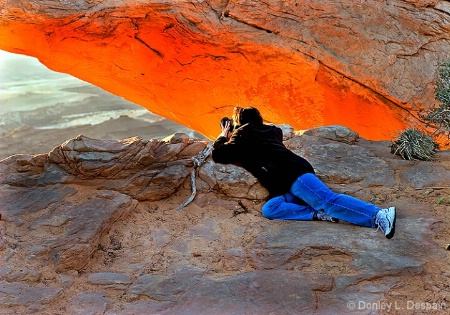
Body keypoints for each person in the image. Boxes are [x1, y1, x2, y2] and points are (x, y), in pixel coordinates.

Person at [212, 106, 396, 239]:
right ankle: (317, 214)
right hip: (287, 185)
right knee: (270, 209)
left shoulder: (243, 135)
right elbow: (264, 137)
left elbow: (218, 154)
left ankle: (379, 215)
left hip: (294, 175)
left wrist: (224, 133)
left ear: (240, 123)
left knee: (327, 200)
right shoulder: (271, 131)